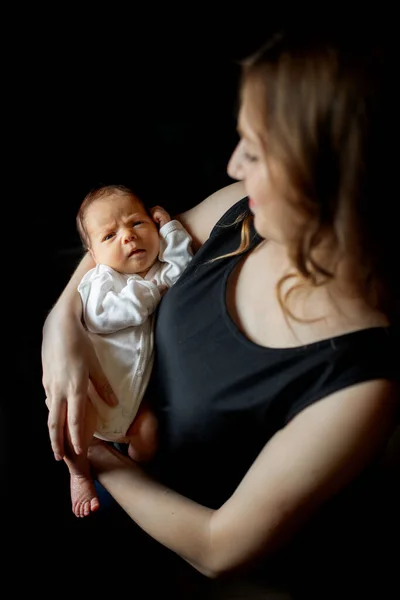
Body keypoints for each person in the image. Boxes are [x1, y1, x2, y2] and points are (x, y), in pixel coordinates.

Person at [42, 28, 399, 595]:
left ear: (332, 180)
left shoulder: (357, 385)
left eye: (255, 151)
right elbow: (118, 249)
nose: (234, 164)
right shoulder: (241, 210)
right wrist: (57, 328)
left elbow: (217, 548)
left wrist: (90, 456)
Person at [62, 184, 193, 517]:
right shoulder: (100, 280)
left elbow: (183, 269)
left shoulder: (157, 272)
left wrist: (170, 229)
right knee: (73, 430)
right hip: (95, 390)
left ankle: (130, 465)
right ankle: (79, 473)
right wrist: (149, 293)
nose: (128, 236)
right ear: (93, 255)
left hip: (134, 401)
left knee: (148, 434)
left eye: (137, 223)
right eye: (110, 236)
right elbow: (101, 316)